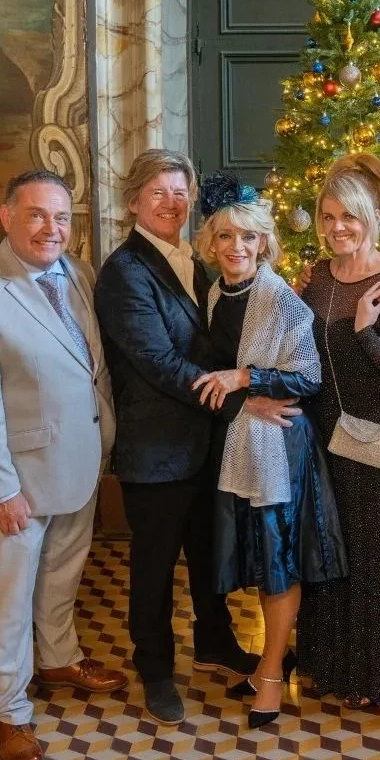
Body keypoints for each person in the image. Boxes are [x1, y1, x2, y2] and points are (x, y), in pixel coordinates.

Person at [0, 169, 126, 760]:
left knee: (62, 576)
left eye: (62, 217)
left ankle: (58, 659)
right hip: (19, 478)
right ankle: (7, 708)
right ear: (8, 216)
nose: (52, 229)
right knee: (9, 594)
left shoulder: (74, 274)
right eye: (38, 215)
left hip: (78, 458)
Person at [94, 150, 271, 726]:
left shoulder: (198, 262)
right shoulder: (124, 271)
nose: (171, 203)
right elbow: (158, 361)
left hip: (208, 441)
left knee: (208, 553)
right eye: (158, 193)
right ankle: (155, 670)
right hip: (157, 449)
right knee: (153, 568)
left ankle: (215, 641)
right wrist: (242, 392)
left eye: (180, 192)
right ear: (133, 203)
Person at [187, 173, 346, 730]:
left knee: (278, 561)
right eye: (226, 236)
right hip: (238, 445)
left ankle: (273, 672)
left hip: (278, 449)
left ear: (264, 244)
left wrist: (245, 378)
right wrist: (241, 398)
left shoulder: (280, 301)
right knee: (259, 558)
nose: (236, 248)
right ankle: (271, 660)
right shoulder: (213, 294)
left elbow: (309, 377)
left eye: (248, 238)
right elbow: (216, 385)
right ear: (212, 242)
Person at [298, 154, 380, 709]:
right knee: (329, 553)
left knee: (374, 561)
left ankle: (374, 674)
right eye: (327, 218)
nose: (336, 228)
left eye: (348, 217)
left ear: (372, 215)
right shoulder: (319, 277)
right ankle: (327, 665)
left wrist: (368, 334)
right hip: (323, 438)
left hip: (376, 445)